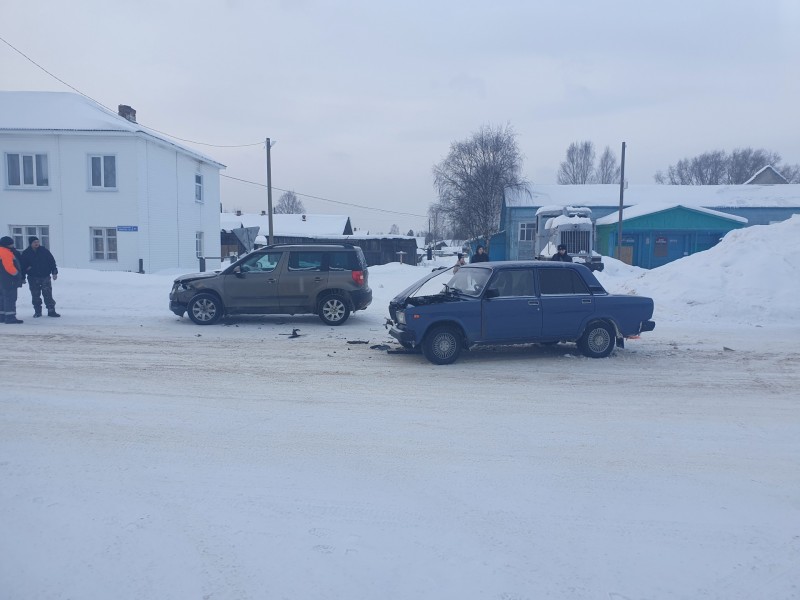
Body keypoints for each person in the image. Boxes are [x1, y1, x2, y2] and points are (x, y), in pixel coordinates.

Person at [20, 236, 60, 317]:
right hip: (33, 277)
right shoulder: (26, 253)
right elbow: (22, 266)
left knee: (48, 294)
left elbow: (52, 262)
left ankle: (51, 310)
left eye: (37, 242)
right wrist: (23, 277)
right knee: (35, 295)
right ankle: (37, 311)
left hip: (45, 276)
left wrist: (54, 272)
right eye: (34, 242)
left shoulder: (44, 251)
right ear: (31, 243)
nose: (36, 243)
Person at [0, 236, 24, 324]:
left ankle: (2, 316)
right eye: (11, 243)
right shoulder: (6, 253)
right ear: (7, 244)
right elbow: (9, 267)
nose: (13, 245)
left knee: (2, 298)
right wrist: (17, 275)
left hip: (1, 280)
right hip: (9, 280)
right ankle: (10, 317)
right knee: (10, 298)